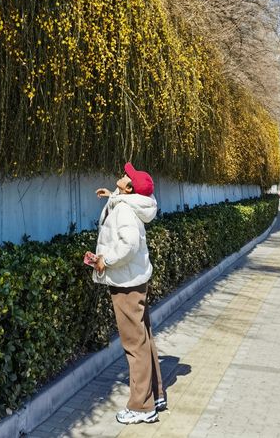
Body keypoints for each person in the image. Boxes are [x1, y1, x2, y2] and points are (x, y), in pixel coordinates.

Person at [92, 163, 165, 425]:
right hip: (136, 280)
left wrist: (105, 260)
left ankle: (142, 407)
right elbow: (127, 207)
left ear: (130, 188)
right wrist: (111, 196)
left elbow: (129, 244)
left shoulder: (124, 209)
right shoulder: (133, 203)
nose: (121, 176)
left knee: (134, 345)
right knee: (144, 339)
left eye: (125, 177)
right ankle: (155, 395)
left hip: (126, 284)